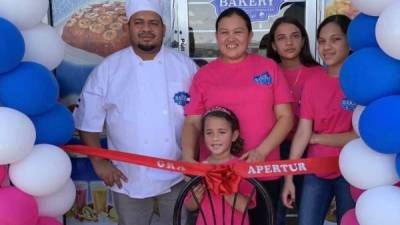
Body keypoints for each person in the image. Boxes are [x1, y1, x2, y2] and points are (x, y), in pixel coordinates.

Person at [72, 0, 198, 224]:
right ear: (127, 28)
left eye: (153, 23)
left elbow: (200, 117)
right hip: (128, 177)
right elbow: (87, 120)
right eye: (139, 23)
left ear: (163, 29)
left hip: (179, 174)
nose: (146, 29)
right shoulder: (109, 69)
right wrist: (99, 162)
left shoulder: (185, 66)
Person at [182, 7, 294, 225]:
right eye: (224, 32)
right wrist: (188, 157)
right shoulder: (203, 75)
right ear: (216, 37)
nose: (231, 38)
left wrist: (261, 151)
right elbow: (193, 121)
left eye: (238, 32)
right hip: (217, 172)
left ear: (250, 36)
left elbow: (286, 117)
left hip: (262, 170)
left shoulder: (268, 67)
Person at [281, 15, 357, 225]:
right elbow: (303, 132)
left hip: (351, 170)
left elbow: (357, 137)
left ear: (349, 41)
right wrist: (288, 177)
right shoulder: (314, 81)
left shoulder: (360, 83)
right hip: (316, 169)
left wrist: (316, 139)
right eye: (322, 41)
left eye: (335, 39)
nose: (327, 47)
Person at [265, 16, 324, 225]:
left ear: (303, 40)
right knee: (275, 209)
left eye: (294, 36)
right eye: (281, 38)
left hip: (309, 148)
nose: (288, 43)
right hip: (274, 147)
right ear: (273, 44)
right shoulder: (266, 73)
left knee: (308, 210)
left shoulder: (319, 73)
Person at [184, 106, 255, 225]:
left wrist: (222, 187)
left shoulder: (242, 167)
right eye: (209, 133)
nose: (215, 138)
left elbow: (244, 206)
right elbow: (189, 206)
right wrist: (196, 197)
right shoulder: (199, 168)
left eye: (222, 132)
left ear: (234, 135)